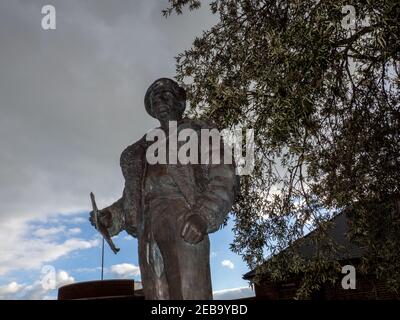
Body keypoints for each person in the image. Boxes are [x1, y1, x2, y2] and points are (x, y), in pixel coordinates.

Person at [90, 78, 238, 299]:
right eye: (154, 97)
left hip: (184, 218)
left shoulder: (200, 133)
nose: (159, 99)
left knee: (189, 294)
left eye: (166, 94)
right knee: (156, 296)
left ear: (180, 102)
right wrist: (112, 217)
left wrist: (203, 215)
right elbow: (132, 198)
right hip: (147, 226)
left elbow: (224, 177)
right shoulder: (143, 150)